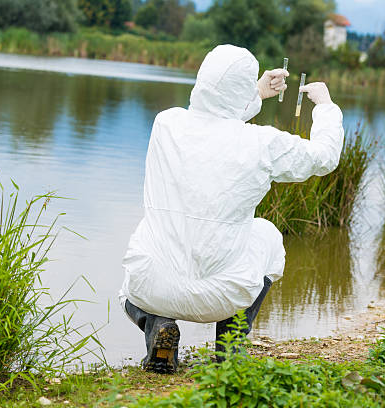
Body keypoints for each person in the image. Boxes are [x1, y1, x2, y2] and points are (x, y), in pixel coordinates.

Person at [119, 44, 344, 374]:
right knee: (266, 235)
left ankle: (157, 327)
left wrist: (254, 94)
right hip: (222, 297)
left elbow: (210, 122)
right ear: (239, 90)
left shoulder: (165, 124)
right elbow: (325, 157)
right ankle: (229, 348)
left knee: (142, 245)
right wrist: (326, 107)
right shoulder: (261, 143)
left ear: (201, 81)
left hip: (152, 289)